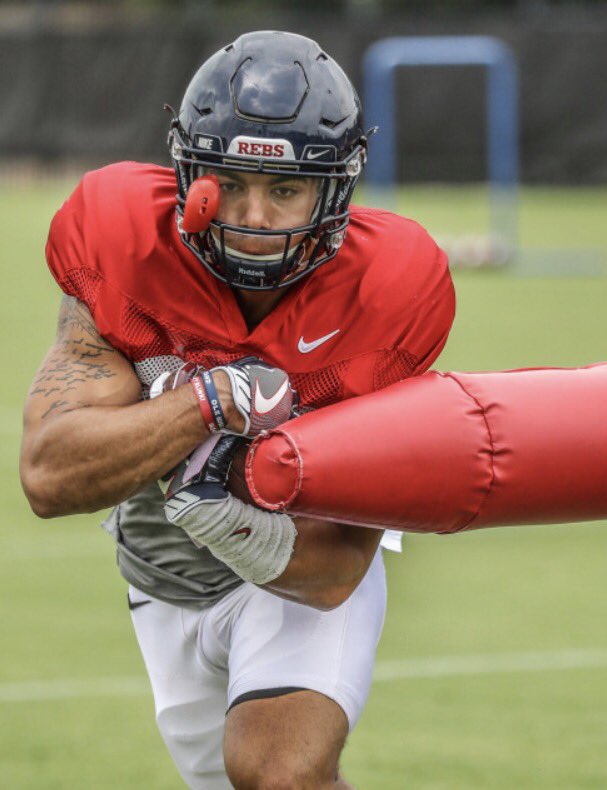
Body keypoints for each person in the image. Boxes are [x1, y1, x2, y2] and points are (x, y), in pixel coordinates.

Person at [20, 31, 455, 789]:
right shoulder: (124, 241)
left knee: (278, 774)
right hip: (160, 568)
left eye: (284, 190)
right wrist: (206, 404)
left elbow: (334, 573)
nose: (254, 215)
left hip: (297, 559)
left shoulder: (389, 286)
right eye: (231, 182)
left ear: (335, 190)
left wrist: (229, 510)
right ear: (189, 173)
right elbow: (50, 474)